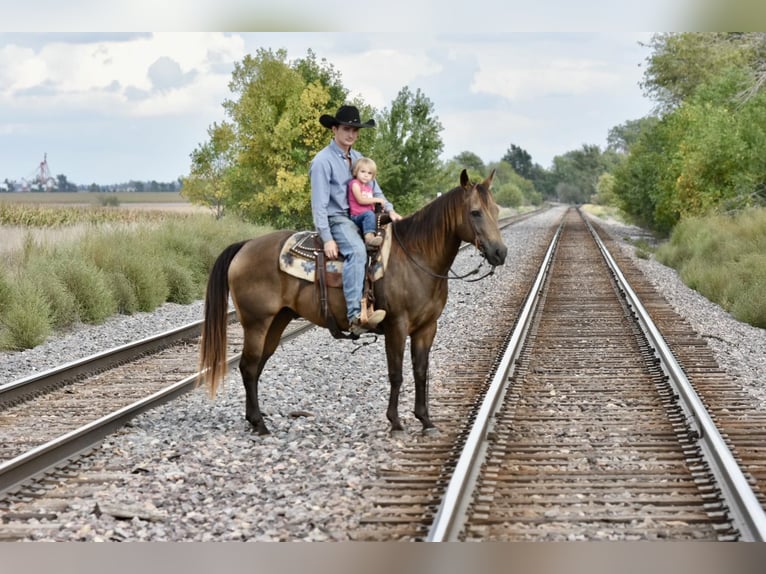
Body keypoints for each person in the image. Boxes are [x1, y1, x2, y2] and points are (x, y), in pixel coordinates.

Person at [310, 105, 402, 335]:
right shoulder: (322, 161)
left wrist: (390, 211)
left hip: (362, 217)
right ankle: (354, 316)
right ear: (335, 129)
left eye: (355, 130)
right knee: (358, 252)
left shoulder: (359, 159)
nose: (351, 134)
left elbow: (375, 190)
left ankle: (385, 304)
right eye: (346, 129)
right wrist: (327, 238)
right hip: (337, 219)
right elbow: (319, 205)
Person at [348, 157, 384, 248]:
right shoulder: (355, 184)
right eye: (362, 171)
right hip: (357, 216)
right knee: (369, 214)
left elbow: (370, 205)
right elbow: (360, 200)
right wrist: (376, 199)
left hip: (367, 216)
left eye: (369, 173)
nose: (366, 175)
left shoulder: (368, 188)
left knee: (378, 217)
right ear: (356, 172)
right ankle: (369, 238)